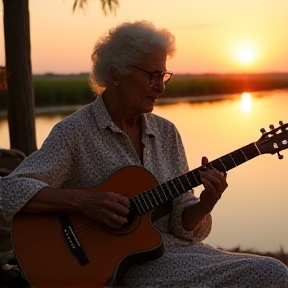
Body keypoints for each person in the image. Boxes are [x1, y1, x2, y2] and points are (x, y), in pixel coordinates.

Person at [0, 20, 288, 288]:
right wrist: (87, 202)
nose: (161, 86)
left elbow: (181, 223)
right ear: (116, 73)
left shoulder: (166, 133)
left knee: (270, 271)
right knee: (272, 273)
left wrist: (205, 203)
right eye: (152, 75)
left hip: (179, 255)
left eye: (163, 75)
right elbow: (9, 191)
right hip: (120, 268)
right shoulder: (74, 132)